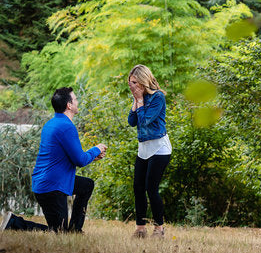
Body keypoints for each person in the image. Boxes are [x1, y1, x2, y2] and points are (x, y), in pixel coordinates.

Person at [0, 87, 107, 233]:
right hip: (51, 187)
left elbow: (67, 156)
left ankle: (75, 229)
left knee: (86, 185)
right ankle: (14, 222)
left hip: (49, 181)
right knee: (59, 232)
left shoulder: (51, 124)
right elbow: (80, 160)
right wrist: (96, 149)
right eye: (75, 99)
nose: (77, 101)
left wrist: (92, 157)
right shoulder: (66, 127)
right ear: (69, 105)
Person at [128, 64, 171, 238]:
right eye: (130, 83)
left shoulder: (157, 97)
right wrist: (136, 101)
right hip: (143, 148)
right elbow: (132, 121)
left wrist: (138, 101)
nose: (131, 86)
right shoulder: (139, 98)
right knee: (138, 187)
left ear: (143, 81)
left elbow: (145, 121)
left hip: (159, 148)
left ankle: (159, 228)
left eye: (134, 82)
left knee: (151, 188)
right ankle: (140, 228)